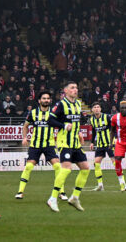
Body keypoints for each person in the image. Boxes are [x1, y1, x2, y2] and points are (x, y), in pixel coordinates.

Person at [45, 81, 91, 212]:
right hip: (64, 142)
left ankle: (75, 197)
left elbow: (75, 122)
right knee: (66, 169)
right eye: (72, 88)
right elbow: (50, 120)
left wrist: (80, 133)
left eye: (76, 87)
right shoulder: (61, 105)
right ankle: (53, 198)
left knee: (85, 168)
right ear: (65, 91)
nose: (75, 90)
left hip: (75, 142)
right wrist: (63, 125)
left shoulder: (77, 104)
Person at [16, 91, 62, 199]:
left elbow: (62, 125)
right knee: (28, 167)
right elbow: (25, 126)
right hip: (35, 145)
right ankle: (20, 192)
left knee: (57, 166)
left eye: (47, 98)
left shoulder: (54, 113)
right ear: (39, 100)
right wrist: (24, 137)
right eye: (44, 98)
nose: (46, 100)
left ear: (50, 100)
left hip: (49, 144)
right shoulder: (32, 113)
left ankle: (61, 192)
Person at [89, 101, 112, 191]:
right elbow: (94, 131)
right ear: (92, 110)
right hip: (99, 144)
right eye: (94, 107)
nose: (96, 109)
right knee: (96, 163)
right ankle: (100, 185)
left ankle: (123, 183)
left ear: (100, 109)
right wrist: (92, 142)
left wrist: (114, 139)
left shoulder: (106, 117)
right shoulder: (92, 119)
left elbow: (112, 128)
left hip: (109, 143)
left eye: (98, 107)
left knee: (115, 162)